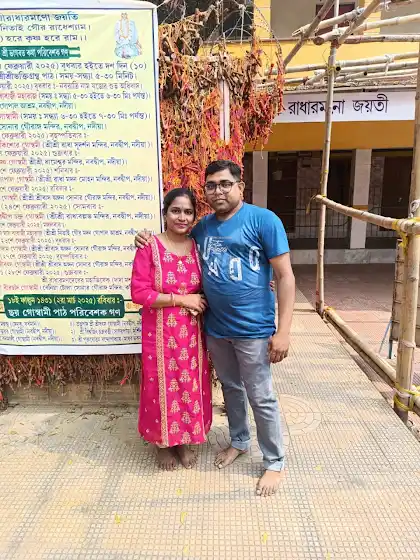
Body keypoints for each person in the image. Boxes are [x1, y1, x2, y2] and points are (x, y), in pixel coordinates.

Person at [135, 160, 295, 496]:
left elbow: (284, 276)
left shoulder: (264, 220)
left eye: (225, 184)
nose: (218, 191)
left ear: (240, 187)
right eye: (211, 185)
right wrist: (145, 235)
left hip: (253, 329)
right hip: (216, 329)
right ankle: (239, 441)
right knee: (232, 389)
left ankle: (274, 461)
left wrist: (283, 331)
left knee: (261, 396)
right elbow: (172, 241)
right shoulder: (203, 228)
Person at [131, 188, 212, 471]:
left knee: (188, 386)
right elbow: (139, 293)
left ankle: (183, 440)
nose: (182, 217)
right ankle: (162, 444)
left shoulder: (198, 247)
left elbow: (211, 284)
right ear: (165, 213)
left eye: (188, 212)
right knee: (160, 386)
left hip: (191, 335)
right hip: (159, 334)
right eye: (175, 211)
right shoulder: (149, 247)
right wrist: (181, 300)